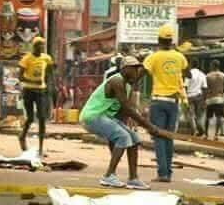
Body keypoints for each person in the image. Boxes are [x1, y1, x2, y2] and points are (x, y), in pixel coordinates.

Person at [80, 56, 159, 189]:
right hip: (92, 117)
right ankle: (108, 176)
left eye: (138, 70)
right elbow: (127, 109)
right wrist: (149, 126)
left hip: (106, 117)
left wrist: (122, 131)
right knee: (123, 137)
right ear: (125, 69)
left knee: (134, 138)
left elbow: (122, 113)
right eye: (134, 69)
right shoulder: (117, 81)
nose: (136, 72)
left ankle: (133, 178)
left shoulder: (127, 86)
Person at [143, 24, 188, 182]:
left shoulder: (153, 57)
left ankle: (162, 174)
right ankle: (167, 173)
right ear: (171, 41)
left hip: (158, 101)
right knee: (169, 137)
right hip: (173, 102)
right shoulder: (179, 57)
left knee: (158, 137)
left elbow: (143, 72)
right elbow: (185, 72)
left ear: (159, 40)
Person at [18, 36, 53, 158]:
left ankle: (41, 148)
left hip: (41, 91)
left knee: (42, 118)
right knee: (30, 118)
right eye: (38, 45)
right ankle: (22, 136)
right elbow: (20, 76)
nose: (41, 48)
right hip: (28, 90)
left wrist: (49, 86)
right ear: (34, 46)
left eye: (42, 45)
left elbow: (49, 73)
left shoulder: (46, 58)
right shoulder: (27, 58)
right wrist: (32, 81)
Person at [204, 59, 224, 140]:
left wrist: (205, 98)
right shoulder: (223, 75)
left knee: (207, 117)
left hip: (210, 98)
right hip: (219, 98)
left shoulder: (208, 76)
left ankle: (206, 134)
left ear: (212, 66)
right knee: (219, 117)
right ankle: (216, 134)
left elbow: (206, 88)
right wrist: (220, 93)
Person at [184, 58, 207, 136]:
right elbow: (204, 88)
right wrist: (204, 100)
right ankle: (201, 130)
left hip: (189, 96)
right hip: (199, 96)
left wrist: (184, 97)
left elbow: (185, 86)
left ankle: (193, 130)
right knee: (198, 116)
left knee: (190, 115)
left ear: (191, 65)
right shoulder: (202, 74)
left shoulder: (189, 74)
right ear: (198, 65)